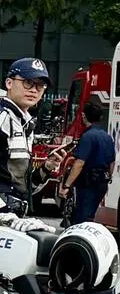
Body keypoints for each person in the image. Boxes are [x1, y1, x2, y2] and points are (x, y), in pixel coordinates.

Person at [1, 58, 61, 215]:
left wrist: (47, 167)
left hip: (15, 216)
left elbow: (24, 186)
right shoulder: (3, 118)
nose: (34, 90)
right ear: (9, 83)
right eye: (28, 82)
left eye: (40, 85)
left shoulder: (25, 123)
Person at [57, 102, 116, 225]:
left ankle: (78, 241)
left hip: (87, 182)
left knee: (81, 217)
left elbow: (79, 163)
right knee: (90, 215)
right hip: (102, 182)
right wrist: (108, 177)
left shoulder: (87, 136)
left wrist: (67, 185)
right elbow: (112, 162)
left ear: (83, 116)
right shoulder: (107, 137)